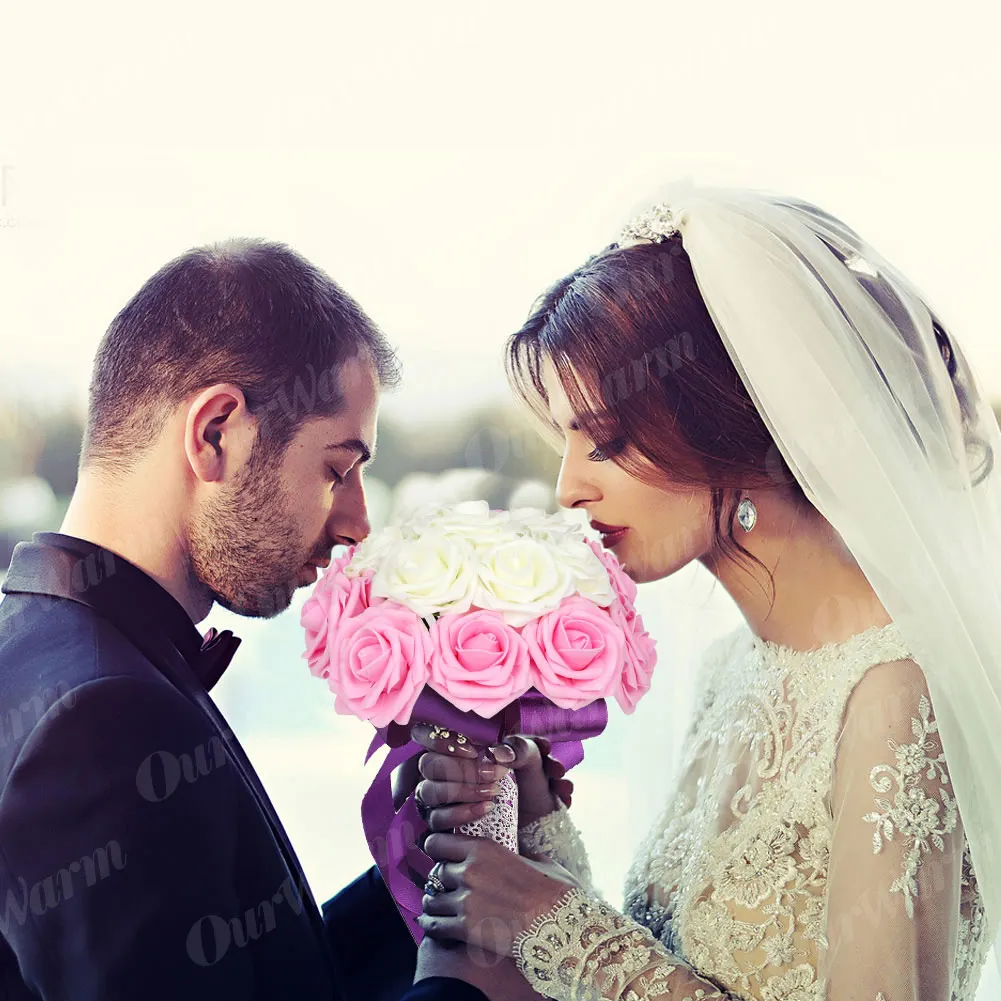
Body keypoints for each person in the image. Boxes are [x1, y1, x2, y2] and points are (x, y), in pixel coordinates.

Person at [412, 187, 1001, 999]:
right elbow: (675, 960)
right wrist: (537, 831)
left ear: (730, 420)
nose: (568, 486)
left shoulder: (896, 693)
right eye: (565, 441)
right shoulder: (734, 666)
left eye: (605, 440)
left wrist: (552, 919)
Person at [0, 239, 502, 1000]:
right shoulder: (103, 720)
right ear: (216, 433)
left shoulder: (50, 655)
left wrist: (423, 866)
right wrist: (469, 981)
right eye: (337, 469)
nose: (358, 523)